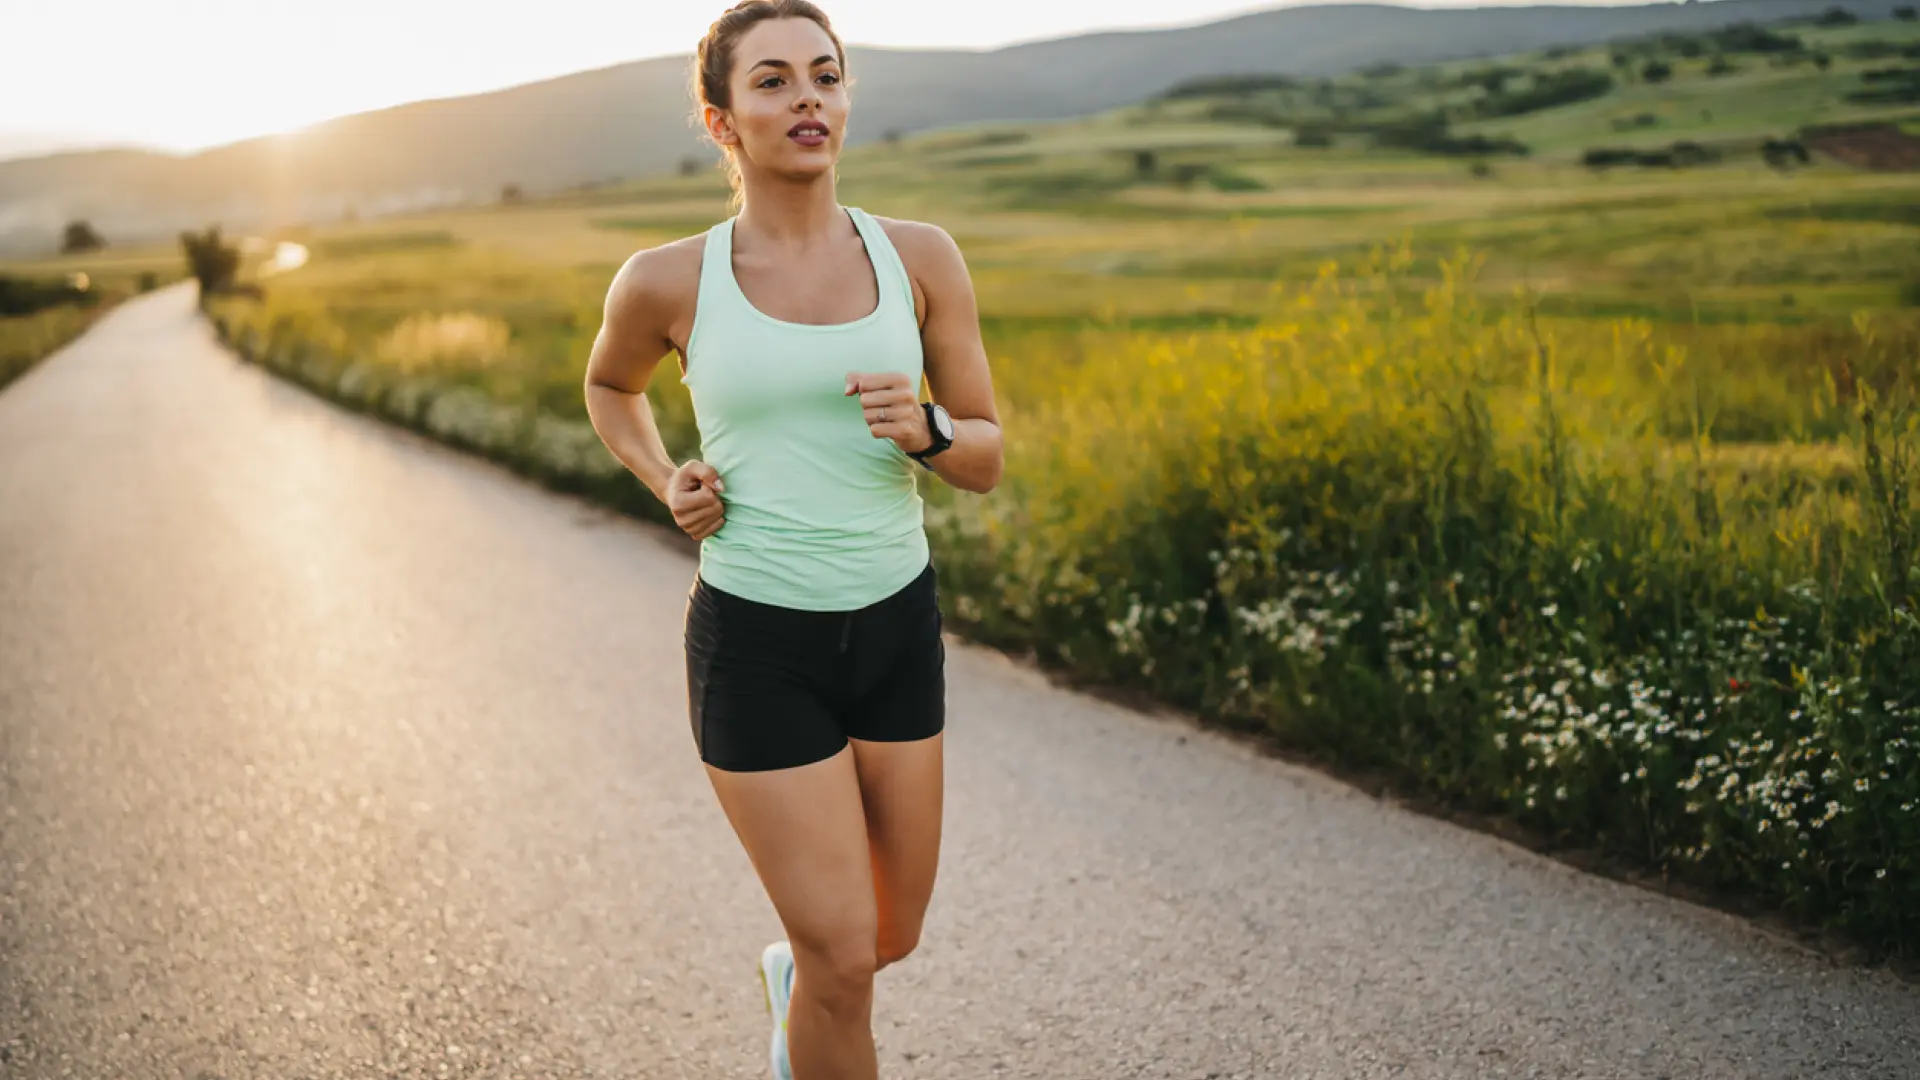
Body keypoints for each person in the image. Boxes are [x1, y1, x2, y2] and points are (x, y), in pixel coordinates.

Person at [581, 3, 1003, 1077]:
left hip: (896, 626)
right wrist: (660, 469)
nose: (808, 97)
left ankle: (794, 987)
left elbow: (986, 456)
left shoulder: (920, 258)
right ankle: (812, 990)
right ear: (723, 123)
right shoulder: (670, 279)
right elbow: (609, 385)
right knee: (844, 957)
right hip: (759, 642)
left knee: (882, 937)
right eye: (773, 82)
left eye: (826, 75)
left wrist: (930, 429)